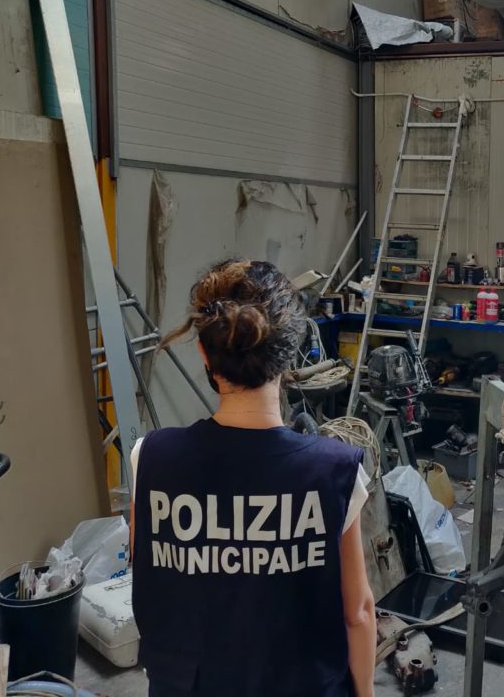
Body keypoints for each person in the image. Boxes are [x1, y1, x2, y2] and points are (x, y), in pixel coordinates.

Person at [131, 259, 376, 697]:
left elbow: (151, 578)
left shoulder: (149, 457)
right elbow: (357, 613)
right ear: (289, 354)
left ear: (204, 354)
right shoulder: (335, 472)